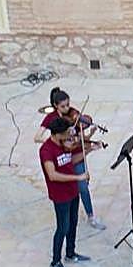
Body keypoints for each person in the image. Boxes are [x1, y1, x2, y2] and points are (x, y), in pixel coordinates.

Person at [34, 87, 106, 231]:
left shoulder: (74, 113)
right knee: (70, 186)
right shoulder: (51, 118)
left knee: (83, 187)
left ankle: (91, 215)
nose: (67, 108)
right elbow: (37, 137)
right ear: (56, 106)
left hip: (76, 153)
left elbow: (80, 139)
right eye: (63, 106)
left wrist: (89, 135)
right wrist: (58, 141)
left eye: (68, 104)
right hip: (63, 156)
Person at [38, 117, 90, 267]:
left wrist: (88, 150)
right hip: (60, 195)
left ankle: (70, 252)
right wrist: (78, 178)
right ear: (58, 134)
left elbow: (71, 160)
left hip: (73, 191)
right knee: (63, 226)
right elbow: (52, 175)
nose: (70, 136)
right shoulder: (46, 150)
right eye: (67, 133)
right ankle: (55, 261)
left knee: (73, 222)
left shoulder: (65, 145)